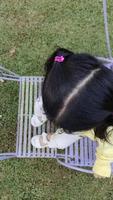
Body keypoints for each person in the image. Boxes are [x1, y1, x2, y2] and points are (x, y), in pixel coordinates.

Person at [31, 48, 113, 177]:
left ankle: (50, 138)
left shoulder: (110, 131)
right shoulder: (84, 76)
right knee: (40, 104)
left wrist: (102, 164)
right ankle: (43, 112)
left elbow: (108, 150)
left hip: (91, 128)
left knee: (61, 142)